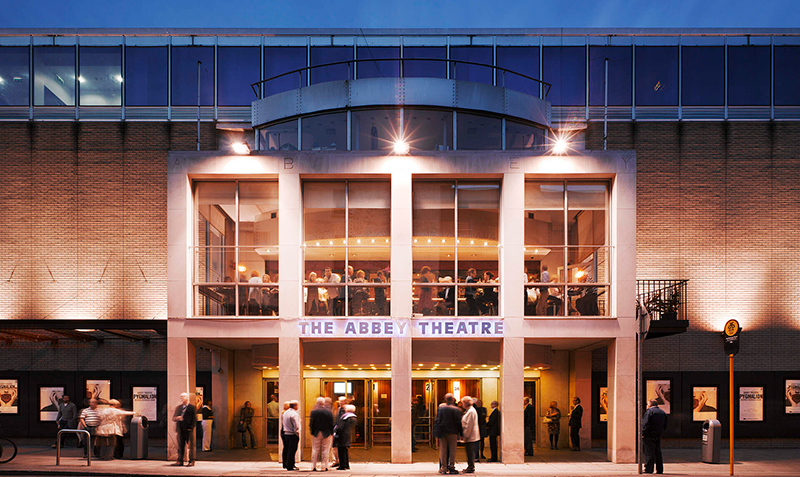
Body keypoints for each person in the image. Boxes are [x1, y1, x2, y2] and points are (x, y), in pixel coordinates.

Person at [435, 393, 463, 475]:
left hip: (443, 432)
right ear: (453, 400)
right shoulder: (456, 409)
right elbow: (459, 422)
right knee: (452, 450)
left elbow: (438, 420)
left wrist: (437, 431)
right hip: (453, 432)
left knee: (443, 450)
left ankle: (443, 467)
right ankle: (451, 466)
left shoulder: (441, 408)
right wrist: (461, 433)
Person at [642, 398, 668, 474]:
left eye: (647, 404)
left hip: (649, 435)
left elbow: (646, 424)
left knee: (649, 452)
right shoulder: (662, 412)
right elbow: (665, 425)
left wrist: (643, 433)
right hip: (658, 435)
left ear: (650, 405)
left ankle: (649, 469)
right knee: (658, 452)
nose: (647, 405)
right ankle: (659, 469)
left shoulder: (649, 412)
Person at [309, 397, 334, 471]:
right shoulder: (328, 412)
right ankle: (325, 466)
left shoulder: (314, 412)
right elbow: (331, 423)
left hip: (316, 432)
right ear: (324, 403)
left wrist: (312, 432)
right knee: (325, 449)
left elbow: (311, 423)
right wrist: (331, 432)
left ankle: (313, 466)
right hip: (326, 433)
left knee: (315, 449)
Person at [171, 393, 197, 466]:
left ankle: (191, 461)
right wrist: (177, 418)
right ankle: (180, 460)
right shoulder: (178, 407)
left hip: (188, 429)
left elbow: (194, 419)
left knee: (191, 446)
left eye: (184, 396)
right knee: (180, 445)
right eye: (181, 396)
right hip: (180, 429)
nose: (182, 398)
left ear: (187, 397)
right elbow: (174, 417)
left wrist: (191, 428)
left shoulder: (192, 407)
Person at [333, 404, 357, 471]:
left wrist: (336, 431)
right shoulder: (353, 417)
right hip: (347, 436)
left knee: (341, 451)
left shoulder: (345, 418)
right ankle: (346, 464)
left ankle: (342, 465)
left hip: (342, 436)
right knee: (345, 451)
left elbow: (340, 427)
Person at [460, 396, 480, 474]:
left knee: (470, 452)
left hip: (471, 436)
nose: (462, 405)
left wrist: (465, 436)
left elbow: (469, 425)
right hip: (470, 435)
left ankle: (471, 467)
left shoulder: (471, 411)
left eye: (462, 403)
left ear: (466, 403)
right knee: (469, 451)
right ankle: (470, 466)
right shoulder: (469, 411)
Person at [282, 400, 301, 471]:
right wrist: (297, 433)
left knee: (287, 449)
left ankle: (288, 464)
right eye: (297, 405)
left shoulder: (285, 413)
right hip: (292, 434)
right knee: (292, 450)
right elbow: (296, 425)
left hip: (286, 433)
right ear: (295, 406)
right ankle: (290, 466)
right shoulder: (294, 414)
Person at [331, 396, 347, 468]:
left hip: (341, 432)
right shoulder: (339, 408)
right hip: (338, 430)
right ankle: (340, 463)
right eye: (339, 401)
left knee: (341, 448)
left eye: (341, 401)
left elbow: (341, 421)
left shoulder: (344, 409)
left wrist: (337, 430)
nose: (339, 402)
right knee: (338, 448)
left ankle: (343, 464)